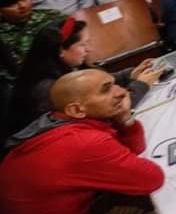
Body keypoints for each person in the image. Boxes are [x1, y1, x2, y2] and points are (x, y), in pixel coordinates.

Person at [0, 69, 165, 214]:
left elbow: (133, 154)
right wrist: (125, 119)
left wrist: (125, 118)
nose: (121, 92)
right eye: (106, 90)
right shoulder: (82, 143)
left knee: (156, 199)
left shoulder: (54, 123)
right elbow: (153, 178)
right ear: (76, 110)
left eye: (114, 83)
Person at [9, 18, 162, 134]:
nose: (89, 49)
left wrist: (130, 74)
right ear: (60, 50)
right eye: (83, 45)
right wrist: (142, 85)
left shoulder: (62, 67)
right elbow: (103, 114)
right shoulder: (48, 88)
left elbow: (95, 86)